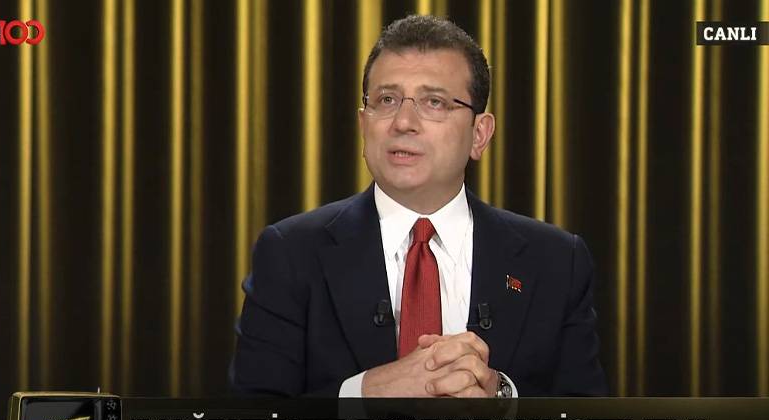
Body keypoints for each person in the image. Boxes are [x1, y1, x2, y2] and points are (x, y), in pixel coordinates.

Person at [229, 15, 607, 397]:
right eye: (386, 100)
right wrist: (365, 393)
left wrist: (501, 397)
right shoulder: (291, 254)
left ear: (479, 134)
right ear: (363, 124)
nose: (403, 122)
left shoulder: (556, 262)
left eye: (434, 102)